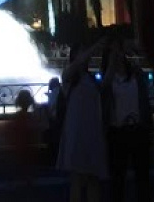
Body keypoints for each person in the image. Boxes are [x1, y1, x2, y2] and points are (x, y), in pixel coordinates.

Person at [55, 39, 109, 202]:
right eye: (82, 51)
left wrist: (114, 57)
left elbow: (105, 85)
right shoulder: (69, 76)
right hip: (76, 131)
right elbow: (79, 62)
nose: (86, 56)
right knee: (78, 178)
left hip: (92, 130)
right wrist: (94, 47)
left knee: (93, 177)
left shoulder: (90, 79)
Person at [101, 38, 152, 202]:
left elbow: (144, 101)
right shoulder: (109, 79)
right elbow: (104, 88)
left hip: (137, 128)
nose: (117, 56)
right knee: (118, 178)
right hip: (118, 132)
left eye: (119, 52)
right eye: (113, 53)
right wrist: (111, 63)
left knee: (143, 176)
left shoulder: (136, 74)